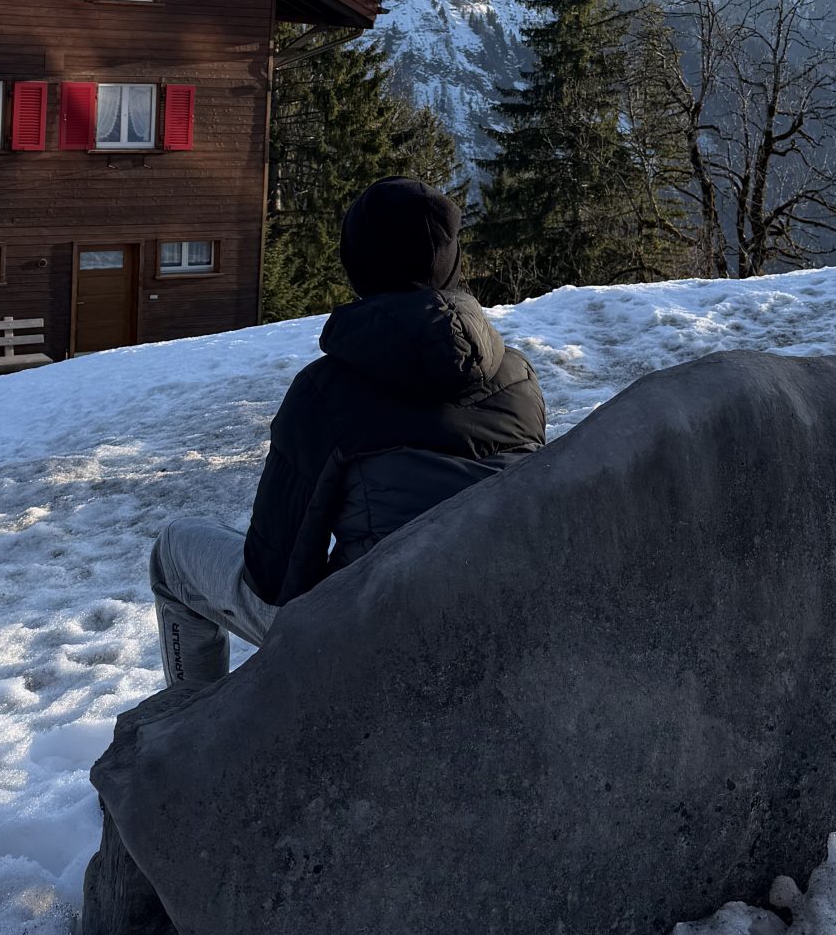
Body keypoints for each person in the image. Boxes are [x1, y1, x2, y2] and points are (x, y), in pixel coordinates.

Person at [150, 177, 547, 686]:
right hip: (493, 613)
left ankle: (190, 732)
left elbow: (274, 579)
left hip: (370, 632)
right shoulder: (518, 379)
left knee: (173, 552)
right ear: (450, 265)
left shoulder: (325, 392)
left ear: (357, 266)